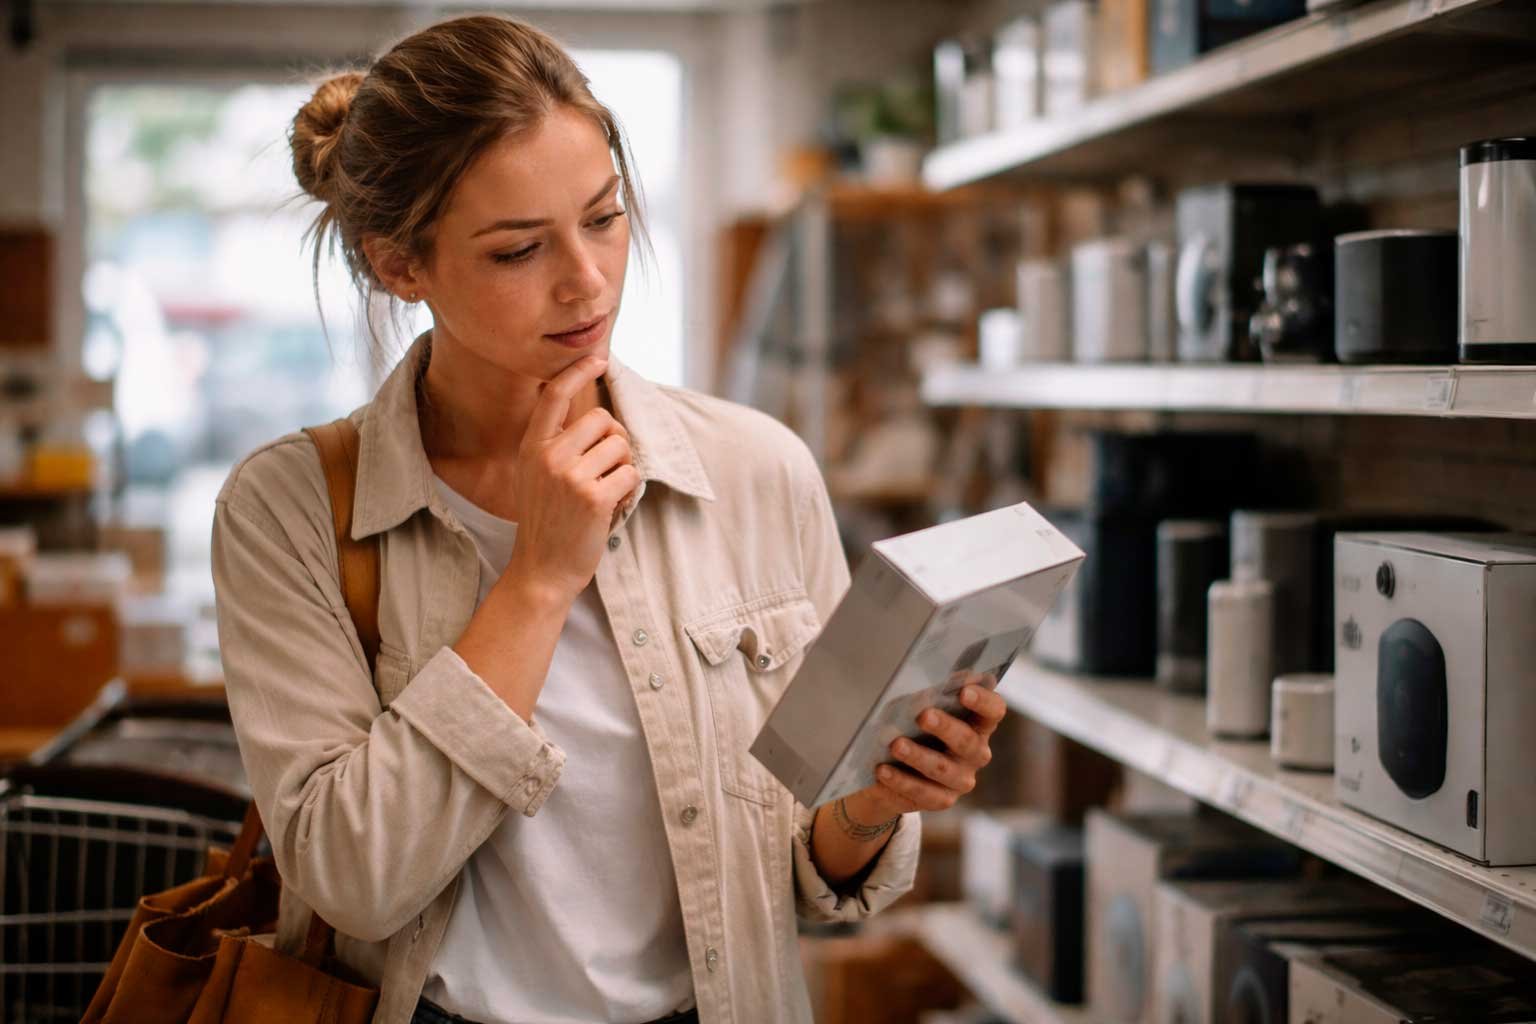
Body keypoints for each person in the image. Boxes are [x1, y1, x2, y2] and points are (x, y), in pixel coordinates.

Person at [210, 14, 1009, 1024]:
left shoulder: (756, 471)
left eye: (604, 217)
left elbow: (808, 874)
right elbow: (353, 879)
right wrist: (537, 578)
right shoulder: (286, 510)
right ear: (398, 267)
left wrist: (876, 803)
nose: (586, 280)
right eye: (516, 250)